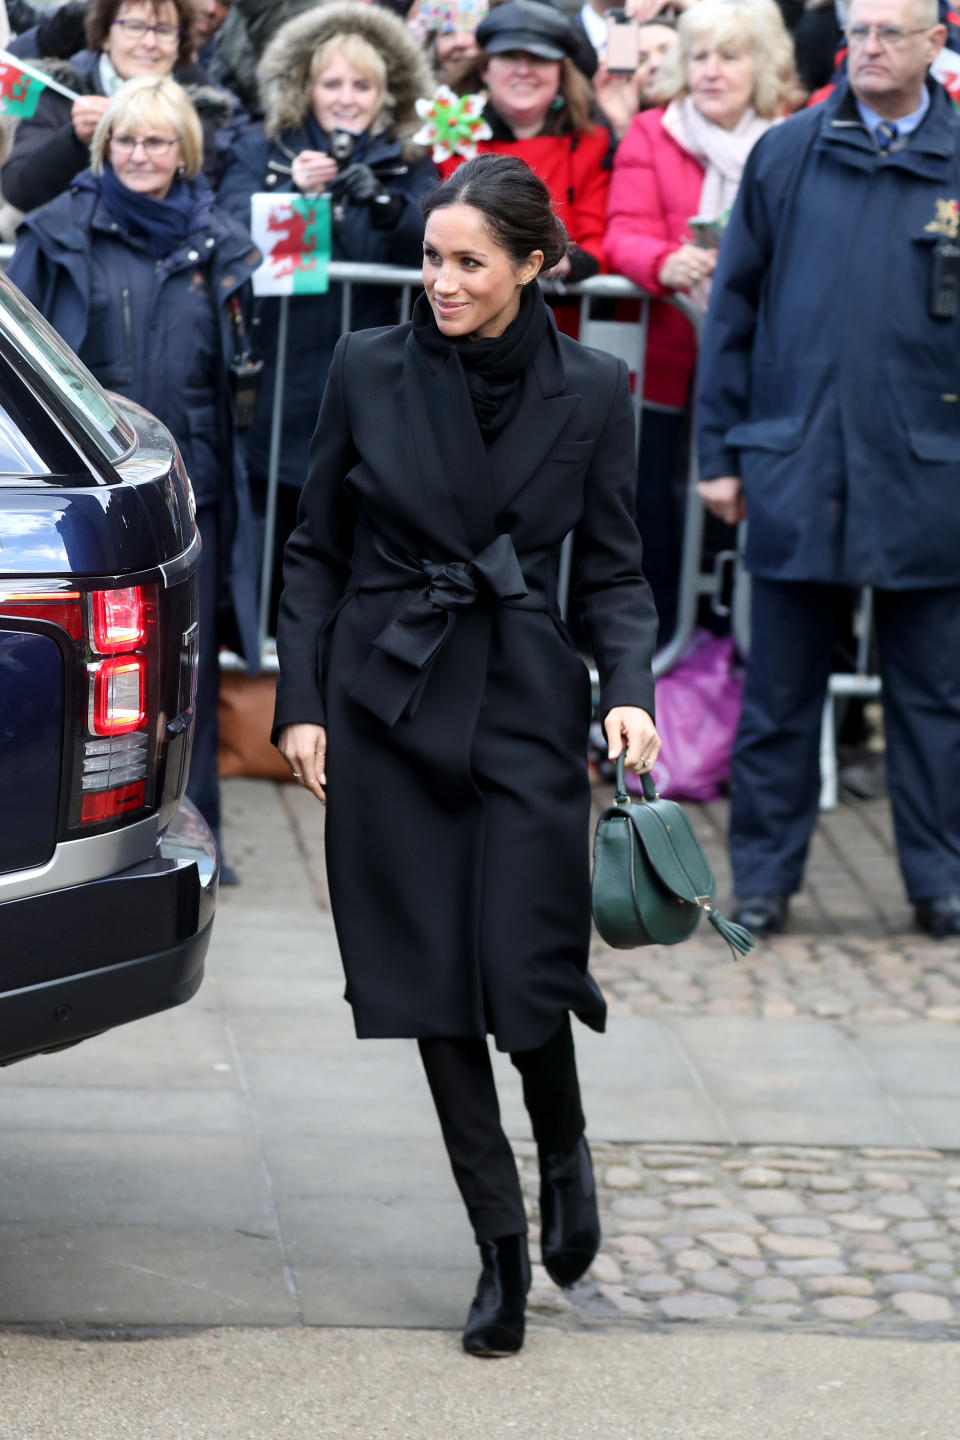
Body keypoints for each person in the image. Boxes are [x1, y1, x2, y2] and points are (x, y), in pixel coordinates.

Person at [272, 154, 660, 1356]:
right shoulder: (366, 366)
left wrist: (631, 692)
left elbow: (612, 568)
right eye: (433, 258)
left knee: (525, 962)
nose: (439, 280)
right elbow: (314, 549)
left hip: (526, 701)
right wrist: (301, 700)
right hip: (387, 701)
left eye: (467, 263)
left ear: (534, 266)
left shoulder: (595, 390)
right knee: (432, 978)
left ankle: (563, 1140)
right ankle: (497, 1244)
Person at [696, 0, 960, 939]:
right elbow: (733, 312)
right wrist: (719, 452)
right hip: (798, 458)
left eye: (895, 33)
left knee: (935, 698)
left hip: (931, 474)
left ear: (938, 43)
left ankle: (941, 882)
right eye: (862, 32)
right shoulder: (788, 153)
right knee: (779, 693)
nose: (873, 49)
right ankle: (763, 878)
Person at [6, 75, 262, 880]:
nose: (139, 155)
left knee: (188, 672)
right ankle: (97, 845)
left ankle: (200, 832)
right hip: (91, 494)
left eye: (155, 141)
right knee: (112, 692)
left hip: (193, 484)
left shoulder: (219, 242)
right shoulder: (58, 233)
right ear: (103, 145)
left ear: (183, 152)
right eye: (125, 140)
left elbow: (233, 377)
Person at [216, 0, 437, 627]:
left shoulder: (409, 158)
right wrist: (292, 197)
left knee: (356, 540)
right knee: (275, 539)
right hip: (282, 378)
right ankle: (261, 678)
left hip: (376, 388)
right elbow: (232, 232)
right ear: (304, 87)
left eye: (362, 85)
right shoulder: (264, 146)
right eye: (331, 83)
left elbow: (444, 239)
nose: (346, 98)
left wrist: (393, 209)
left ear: (386, 92)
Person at [605, 0, 796, 640]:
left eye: (730, 56)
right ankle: (655, 643)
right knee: (649, 498)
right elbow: (621, 233)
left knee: (736, 495)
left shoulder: (792, 136)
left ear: (762, 65)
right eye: (700, 56)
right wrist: (666, 261)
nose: (712, 72)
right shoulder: (652, 131)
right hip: (664, 345)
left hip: (757, 357)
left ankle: (726, 640)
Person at [0, 0, 248, 215]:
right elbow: (20, 192)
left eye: (164, 30)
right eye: (134, 27)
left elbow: (213, 200)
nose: (149, 42)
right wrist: (75, 140)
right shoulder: (60, 92)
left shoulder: (205, 109)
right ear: (105, 35)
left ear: (179, 43)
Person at [436, 0, 612, 283]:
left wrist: (563, 263)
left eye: (539, 59)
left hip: (561, 316)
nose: (524, 70)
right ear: (484, 70)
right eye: (509, 56)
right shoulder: (450, 140)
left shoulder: (592, 143)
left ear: (560, 72)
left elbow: (599, 242)